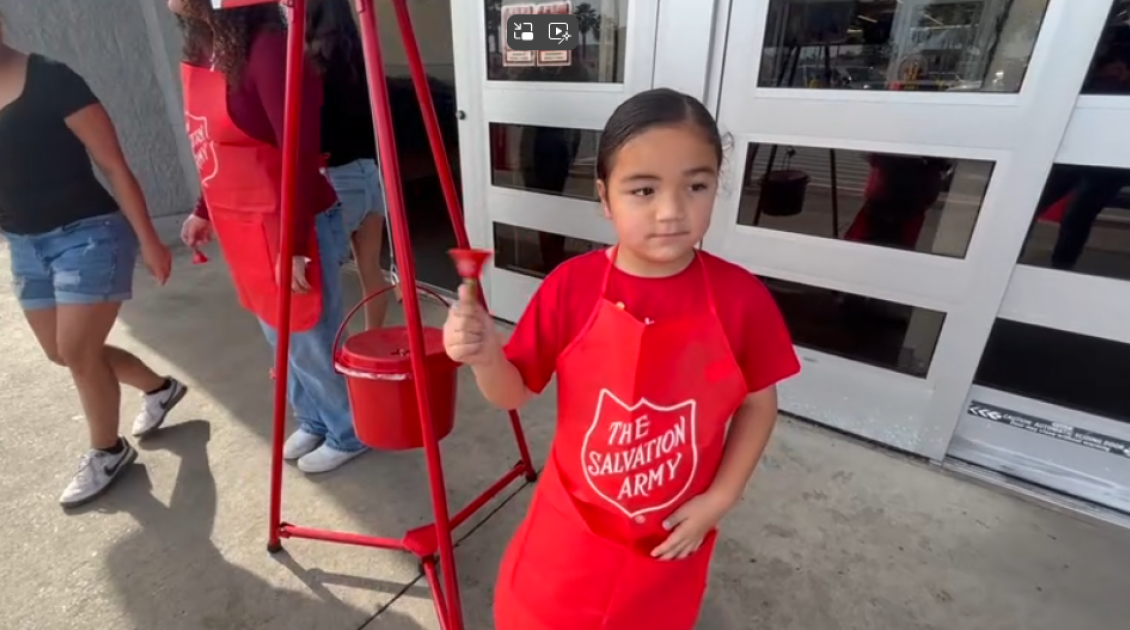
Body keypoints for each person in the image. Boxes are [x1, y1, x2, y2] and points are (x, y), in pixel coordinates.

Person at [443, 88, 802, 630]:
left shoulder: (741, 298)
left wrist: (721, 498)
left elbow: (758, 404)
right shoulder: (571, 286)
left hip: (672, 532)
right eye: (643, 189)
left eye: (696, 186)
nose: (671, 211)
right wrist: (486, 356)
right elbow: (512, 392)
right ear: (605, 198)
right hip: (572, 524)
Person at [0, 0, 187, 508]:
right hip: (23, 244)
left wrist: (149, 240)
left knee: (78, 351)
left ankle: (107, 451)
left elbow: (113, 163)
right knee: (64, 353)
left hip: (90, 233)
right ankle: (160, 389)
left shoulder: (52, 79)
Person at [169, 0, 368, 473]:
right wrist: (203, 209)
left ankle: (347, 431)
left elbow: (299, 152)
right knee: (281, 337)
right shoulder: (209, 49)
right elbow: (212, 142)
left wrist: (295, 246)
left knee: (310, 337)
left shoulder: (269, 50)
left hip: (292, 220)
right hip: (245, 225)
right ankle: (314, 419)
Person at [307, 0, 390, 331]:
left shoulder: (311, 64)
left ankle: (330, 354)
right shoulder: (363, 57)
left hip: (337, 179)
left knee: (323, 278)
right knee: (370, 269)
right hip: (369, 173)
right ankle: (374, 340)